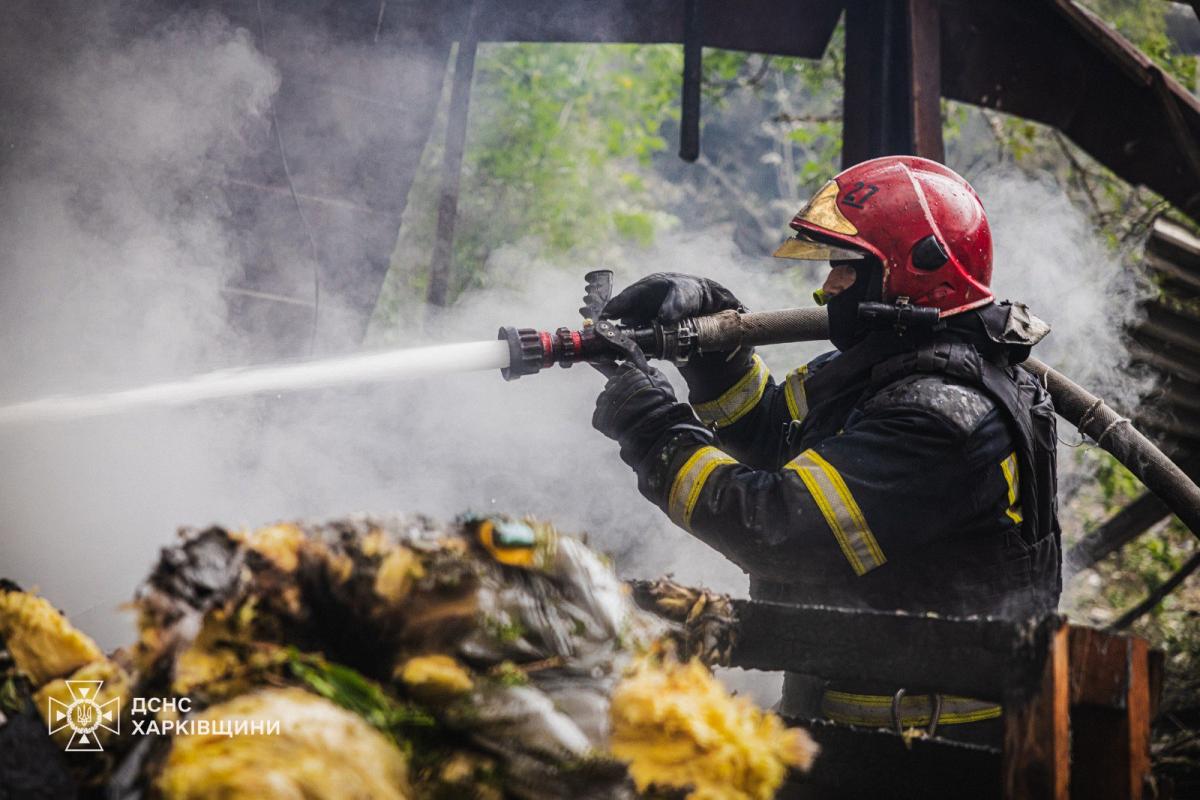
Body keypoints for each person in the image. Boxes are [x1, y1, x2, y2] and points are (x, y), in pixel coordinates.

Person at [591, 156, 1061, 740]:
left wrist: (652, 426)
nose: (829, 286)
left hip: (933, 751)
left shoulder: (942, 418)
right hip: (857, 730)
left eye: (848, 268)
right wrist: (714, 349)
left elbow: (774, 527)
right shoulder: (882, 369)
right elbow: (772, 438)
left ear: (917, 269)